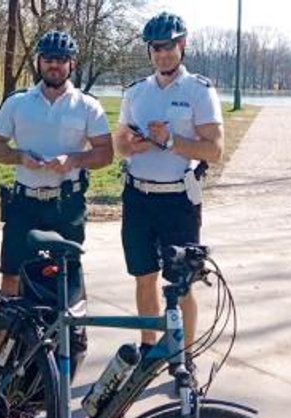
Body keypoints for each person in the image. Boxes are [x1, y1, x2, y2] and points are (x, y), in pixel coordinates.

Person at [113, 12, 225, 366]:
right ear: (149, 50)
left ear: (183, 46)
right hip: (139, 198)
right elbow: (119, 144)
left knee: (181, 285)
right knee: (144, 279)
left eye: (169, 47)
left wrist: (172, 140)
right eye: (156, 48)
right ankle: (148, 350)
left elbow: (215, 150)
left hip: (178, 199)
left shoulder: (199, 91)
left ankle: (182, 358)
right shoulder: (136, 92)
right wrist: (131, 144)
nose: (163, 54)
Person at [0, 30, 114, 298]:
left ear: (72, 63)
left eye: (60, 59)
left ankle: (68, 339)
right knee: (11, 276)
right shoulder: (17, 102)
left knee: (67, 279)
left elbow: (106, 154)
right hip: (24, 204)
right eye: (47, 59)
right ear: (38, 62)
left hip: (66, 205)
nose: (54, 65)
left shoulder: (87, 106)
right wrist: (20, 156)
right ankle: (6, 340)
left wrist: (74, 160)